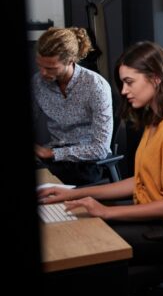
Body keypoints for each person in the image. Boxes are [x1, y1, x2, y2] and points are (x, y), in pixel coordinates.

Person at [38, 41, 163, 267]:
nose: (124, 91)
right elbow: (140, 182)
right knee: (81, 223)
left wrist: (106, 212)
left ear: (155, 78)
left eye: (129, 82)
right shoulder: (157, 120)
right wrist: (73, 193)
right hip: (153, 220)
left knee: (83, 241)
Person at [33, 27, 113, 185]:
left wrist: (54, 153)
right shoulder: (38, 82)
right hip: (53, 159)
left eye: (50, 68)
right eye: (39, 66)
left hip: (87, 161)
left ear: (70, 61)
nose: (42, 73)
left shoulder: (95, 86)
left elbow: (101, 148)